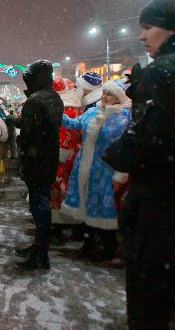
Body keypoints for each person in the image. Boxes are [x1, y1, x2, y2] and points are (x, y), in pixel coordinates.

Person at [103, 0, 175, 330]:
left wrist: (115, 153)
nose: (141, 36)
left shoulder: (162, 72)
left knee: (150, 304)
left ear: (171, 27)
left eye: (148, 27)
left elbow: (146, 141)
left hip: (161, 206)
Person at [60, 80, 130, 261]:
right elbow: (73, 124)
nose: (105, 96)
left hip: (106, 170)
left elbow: (126, 146)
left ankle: (108, 247)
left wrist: (121, 172)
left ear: (118, 97)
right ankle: (90, 244)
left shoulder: (124, 117)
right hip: (85, 168)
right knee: (87, 206)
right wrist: (57, 110)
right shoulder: (91, 112)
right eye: (104, 93)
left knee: (105, 209)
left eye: (110, 94)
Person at [11, 60, 63, 270]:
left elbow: (31, 134)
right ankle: (39, 247)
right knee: (42, 203)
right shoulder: (53, 97)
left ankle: (41, 254)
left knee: (38, 206)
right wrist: (15, 122)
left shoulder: (34, 101)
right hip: (49, 158)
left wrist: (22, 154)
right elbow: (42, 125)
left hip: (36, 161)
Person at [50, 77, 83, 236]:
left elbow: (65, 133)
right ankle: (66, 222)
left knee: (60, 188)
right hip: (73, 152)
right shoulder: (75, 105)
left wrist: (61, 153)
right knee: (68, 186)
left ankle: (61, 224)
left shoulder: (66, 107)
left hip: (63, 154)